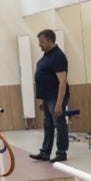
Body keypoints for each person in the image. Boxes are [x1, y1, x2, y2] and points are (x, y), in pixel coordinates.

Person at [30, 29, 70, 163]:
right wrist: (43, 100)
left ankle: (61, 152)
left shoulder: (58, 56)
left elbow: (62, 81)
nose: (39, 45)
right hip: (48, 97)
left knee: (59, 123)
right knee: (47, 124)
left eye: (41, 42)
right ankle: (45, 152)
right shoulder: (47, 55)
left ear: (49, 41)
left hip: (55, 96)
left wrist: (59, 103)